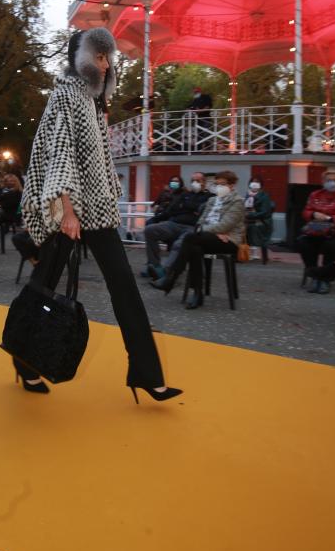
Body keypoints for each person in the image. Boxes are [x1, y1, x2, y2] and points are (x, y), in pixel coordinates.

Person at [18, 26, 182, 403]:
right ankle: (25, 362)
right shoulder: (66, 95)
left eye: (108, 57)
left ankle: (146, 373)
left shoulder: (94, 102)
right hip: (72, 212)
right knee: (43, 284)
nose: (105, 63)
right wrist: (67, 211)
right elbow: (60, 152)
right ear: (80, 57)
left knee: (124, 285)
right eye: (98, 55)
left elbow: (93, 159)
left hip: (98, 211)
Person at [151, 170, 245, 308]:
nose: (219, 187)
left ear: (232, 185)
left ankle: (170, 279)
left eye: (223, 184)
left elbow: (225, 225)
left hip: (228, 241)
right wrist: (209, 231)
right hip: (208, 238)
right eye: (217, 184)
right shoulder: (212, 200)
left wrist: (207, 230)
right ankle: (197, 294)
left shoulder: (237, 201)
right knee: (194, 248)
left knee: (190, 238)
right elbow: (201, 220)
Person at [297, 169, 335, 294]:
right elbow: (305, 212)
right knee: (303, 243)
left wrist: (330, 219)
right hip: (317, 231)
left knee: (331, 245)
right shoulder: (315, 195)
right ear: (323, 182)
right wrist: (313, 214)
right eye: (329, 180)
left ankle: (325, 279)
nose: (332, 183)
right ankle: (314, 275)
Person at [143, 172, 210, 279]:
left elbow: (202, 210)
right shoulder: (185, 195)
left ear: (204, 182)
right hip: (174, 223)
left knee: (180, 244)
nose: (194, 183)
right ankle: (155, 266)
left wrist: (185, 206)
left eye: (198, 181)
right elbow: (171, 210)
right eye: (193, 181)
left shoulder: (209, 197)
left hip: (192, 227)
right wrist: (155, 219)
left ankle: (167, 271)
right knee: (150, 230)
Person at [244, 176, 273, 260]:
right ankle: (243, 250)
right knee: (239, 226)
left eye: (257, 182)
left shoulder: (264, 196)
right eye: (253, 182)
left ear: (261, 184)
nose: (254, 184)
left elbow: (265, 212)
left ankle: (253, 251)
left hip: (261, 221)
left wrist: (249, 215)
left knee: (252, 227)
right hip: (249, 218)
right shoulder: (248, 195)